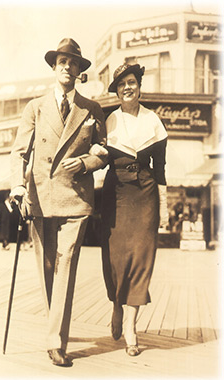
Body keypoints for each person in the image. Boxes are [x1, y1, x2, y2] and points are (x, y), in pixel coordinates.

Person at [9, 38, 107, 367]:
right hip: (40, 197)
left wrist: (86, 163)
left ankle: (56, 341)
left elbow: (102, 150)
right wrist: (17, 186)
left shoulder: (92, 109)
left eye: (74, 63)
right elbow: (19, 152)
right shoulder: (35, 107)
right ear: (54, 67)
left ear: (80, 72)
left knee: (66, 266)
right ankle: (57, 324)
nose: (68, 67)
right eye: (62, 61)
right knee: (47, 268)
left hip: (76, 200)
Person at [101, 63, 168, 356]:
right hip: (115, 193)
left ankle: (131, 326)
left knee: (142, 258)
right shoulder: (108, 121)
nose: (127, 88)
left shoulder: (154, 122)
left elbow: (162, 170)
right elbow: (97, 156)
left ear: (139, 86)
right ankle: (117, 304)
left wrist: (163, 208)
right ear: (116, 91)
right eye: (121, 84)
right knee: (117, 258)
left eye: (131, 82)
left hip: (145, 193)